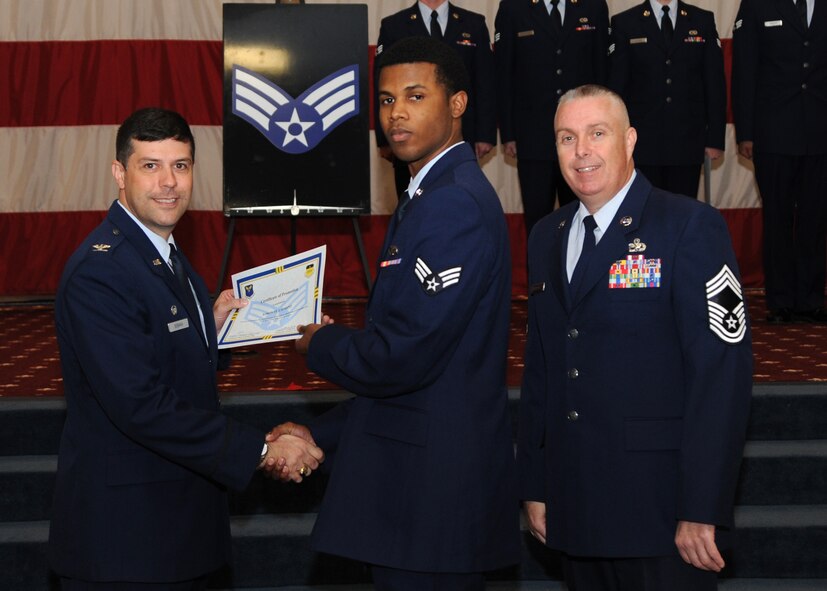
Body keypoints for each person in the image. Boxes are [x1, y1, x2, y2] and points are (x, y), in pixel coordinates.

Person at [48, 107, 324, 590]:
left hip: (173, 529)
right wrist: (260, 450)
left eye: (181, 165)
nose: (169, 183)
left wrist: (210, 327)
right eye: (150, 166)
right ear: (120, 173)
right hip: (127, 542)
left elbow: (157, 345)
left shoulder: (163, 252)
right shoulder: (103, 271)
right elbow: (141, 405)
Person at [294, 36, 520, 590]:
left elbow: (404, 355)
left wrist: (316, 343)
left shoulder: (451, 204)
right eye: (388, 99)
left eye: (416, 96)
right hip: (418, 487)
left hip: (432, 498)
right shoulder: (427, 194)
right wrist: (320, 432)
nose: (397, 114)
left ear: (458, 104)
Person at [518, 85, 752, 590]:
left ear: (629, 140)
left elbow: (721, 377)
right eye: (566, 137)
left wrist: (701, 507)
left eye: (596, 134)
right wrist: (535, 485)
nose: (581, 151)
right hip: (575, 506)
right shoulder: (546, 235)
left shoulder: (689, 226)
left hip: (661, 515)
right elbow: (540, 372)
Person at [731, 0, 827, 324]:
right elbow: (744, 68)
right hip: (773, 132)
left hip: (820, 130)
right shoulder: (758, 5)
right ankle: (781, 300)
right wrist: (745, 132)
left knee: (815, 219)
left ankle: (811, 299)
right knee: (778, 219)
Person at [494, 0, 609, 236]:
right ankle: (539, 274)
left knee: (584, 215)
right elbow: (503, 74)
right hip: (532, 135)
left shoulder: (593, 6)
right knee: (538, 220)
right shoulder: (513, 8)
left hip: (583, 138)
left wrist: (602, 131)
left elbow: (603, 74)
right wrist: (509, 133)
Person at [375, 0, 497, 196]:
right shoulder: (394, 26)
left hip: (461, 134)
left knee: (458, 196)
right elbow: (382, 87)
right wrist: (384, 140)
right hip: (408, 137)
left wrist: (485, 134)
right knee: (410, 205)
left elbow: (485, 81)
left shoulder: (473, 24)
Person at [608, 0, 727, 199]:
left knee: (682, 216)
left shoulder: (702, 20)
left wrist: (715, 138)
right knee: (642, 215)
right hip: (641, 144)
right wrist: (616, 140)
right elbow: (616, 90)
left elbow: (714, 84)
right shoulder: (625, 22)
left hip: (687, 142)